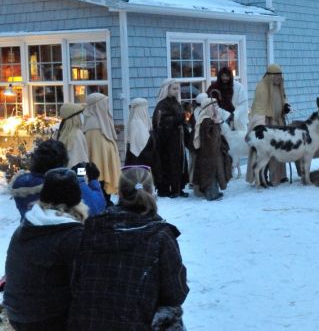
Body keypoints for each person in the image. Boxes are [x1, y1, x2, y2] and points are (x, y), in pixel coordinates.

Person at [67, 166, 189, 330]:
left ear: (120, 193)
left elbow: (76, 282)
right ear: (151, 192)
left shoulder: (92, 228)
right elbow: (176, 293)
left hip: (88, 323)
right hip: (136, 324)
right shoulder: (161, 236)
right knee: (171, 315)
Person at [3, 169, 87, 330]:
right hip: (45, 318)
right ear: (77, 200)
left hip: (16, 311)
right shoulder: (72, 235)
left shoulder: (29, 224)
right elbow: (83, 285)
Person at [248, 64, 290, 184]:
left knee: (280, 149)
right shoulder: (262, 87)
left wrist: (285, 106)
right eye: (277, 75)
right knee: (266, 151)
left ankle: (279, 176)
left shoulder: (280, 86)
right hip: (267, 124)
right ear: (270, 76)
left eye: (280, 75)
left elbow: (284, 97)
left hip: (279, 122)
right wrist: (260, 125)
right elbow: (258, 108)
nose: (279, 78)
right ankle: (263, 177)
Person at [9, 139, 69, 219]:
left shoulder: (20, 182)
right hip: (57, 230)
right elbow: (89, 206)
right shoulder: (59, 187)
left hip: (26, 229)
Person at [153, 79, 188, 198]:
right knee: (169, 163)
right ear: (166, 89)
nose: (177, 91)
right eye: (174, 88)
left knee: (180, 162)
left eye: (178, 88)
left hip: (178, 138)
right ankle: (168, 188)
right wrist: (176, 119)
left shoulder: (175, 102)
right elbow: (159, 122)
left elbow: (180, 117)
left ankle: (178, 187)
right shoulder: (162, 104)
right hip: (168, 141)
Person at [83, 93, 121, 201]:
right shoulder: (93, 123)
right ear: (97, 106)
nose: (106, 107)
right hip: (99, 161)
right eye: (104, 104)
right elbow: (96, 148)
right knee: (101, 180)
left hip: (105, 159)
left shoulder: (103, 119)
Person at [193, 97, 230, 201]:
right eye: (214, 106)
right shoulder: (206, 121)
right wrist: (216, 124)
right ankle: (211, 193)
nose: (216, 108)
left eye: (216, 106)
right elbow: (211, 138)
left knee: (216, 172)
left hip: (214, 152)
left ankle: (215, 191)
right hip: (208, 154)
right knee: (210, 173)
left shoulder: (211, 120)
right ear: (208, 108)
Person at [206, 66, 249, 132]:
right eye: (223, 76)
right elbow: (210, 103)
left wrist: (234, 114)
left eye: (227, 76)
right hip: (218, 119)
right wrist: (224, 114)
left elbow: (242, 103)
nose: (225, 78)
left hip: (232, 118)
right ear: (220, 76)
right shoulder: (213, 87)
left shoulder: (236, 87)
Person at [56, 103, 89, 168]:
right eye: (80, 114)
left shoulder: (62, 132)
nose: (82, 116)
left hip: (65, 173)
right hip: (74, 174)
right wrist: (82, 177)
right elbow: (81, 161)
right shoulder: (77, 134)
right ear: (74, 117)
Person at [125, 97, 154, 167]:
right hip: (138, 159)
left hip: (146, 157)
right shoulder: (136, 122)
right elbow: (140, 144)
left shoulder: (144, 121)